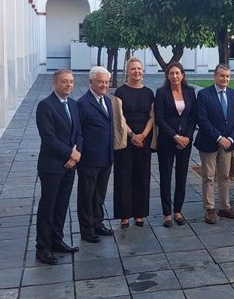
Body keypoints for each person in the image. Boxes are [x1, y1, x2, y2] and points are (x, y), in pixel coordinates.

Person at [34, 69, 82, 265]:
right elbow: (48, 138)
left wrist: (76, 155)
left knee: (62, 206)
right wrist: (70, 153)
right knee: (48, 206)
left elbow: (78, 132)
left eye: (71, 81)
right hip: (52, 166)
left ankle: (56, 240)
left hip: (70, 166)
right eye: (64, 82)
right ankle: (42, 247)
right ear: (55, 84)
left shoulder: (73, 104)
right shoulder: (45, 106)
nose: (68, 85)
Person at [195, 64, 234, 224]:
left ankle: (225, 207)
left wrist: (230, 139)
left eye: (228, 76)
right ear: (215, 76)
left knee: (225, 176)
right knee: (208, 177)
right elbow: (202, 120)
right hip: (209, 143)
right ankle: (210, 209)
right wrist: (218, 137)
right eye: (222, 76)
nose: (225, 79)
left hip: (228, 144)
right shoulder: (203, 94)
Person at [112, 58, 154, 229]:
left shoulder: (149, 93)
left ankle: (139, 213)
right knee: (124, 177)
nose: (137, 72)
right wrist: (132, 135)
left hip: (144, 139)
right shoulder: (120, 93)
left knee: (142, 176)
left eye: (139, 69)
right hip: (125, 140)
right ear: (127, 71)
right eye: (133, 69)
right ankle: (124, 215)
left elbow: (152, 116)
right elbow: (118, 117)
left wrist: (142, 135)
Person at [154, 62, 197, 227]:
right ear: (167, 76)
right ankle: (166, 213)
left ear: (183, 75)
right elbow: (159, 118)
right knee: (165, 177)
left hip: (185, 141)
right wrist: (175, 136)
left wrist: (186, 136)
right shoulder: (161, 93)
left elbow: (194, 116)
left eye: (177, 73)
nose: (174, 76)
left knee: (181, 176)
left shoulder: (190, 92)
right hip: (167, 140)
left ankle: (178, 210)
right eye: (171, 73)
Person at [77, 66, 114, 243]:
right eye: (100, 82)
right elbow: (77, 132)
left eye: (106, 82)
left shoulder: (107, 101)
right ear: (91, 82)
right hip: (89, 159)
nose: (104, 85)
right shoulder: (82, 104)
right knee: (87, 195)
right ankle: (86, 230)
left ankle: (97, 223)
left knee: (99, 194)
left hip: (106, 157)